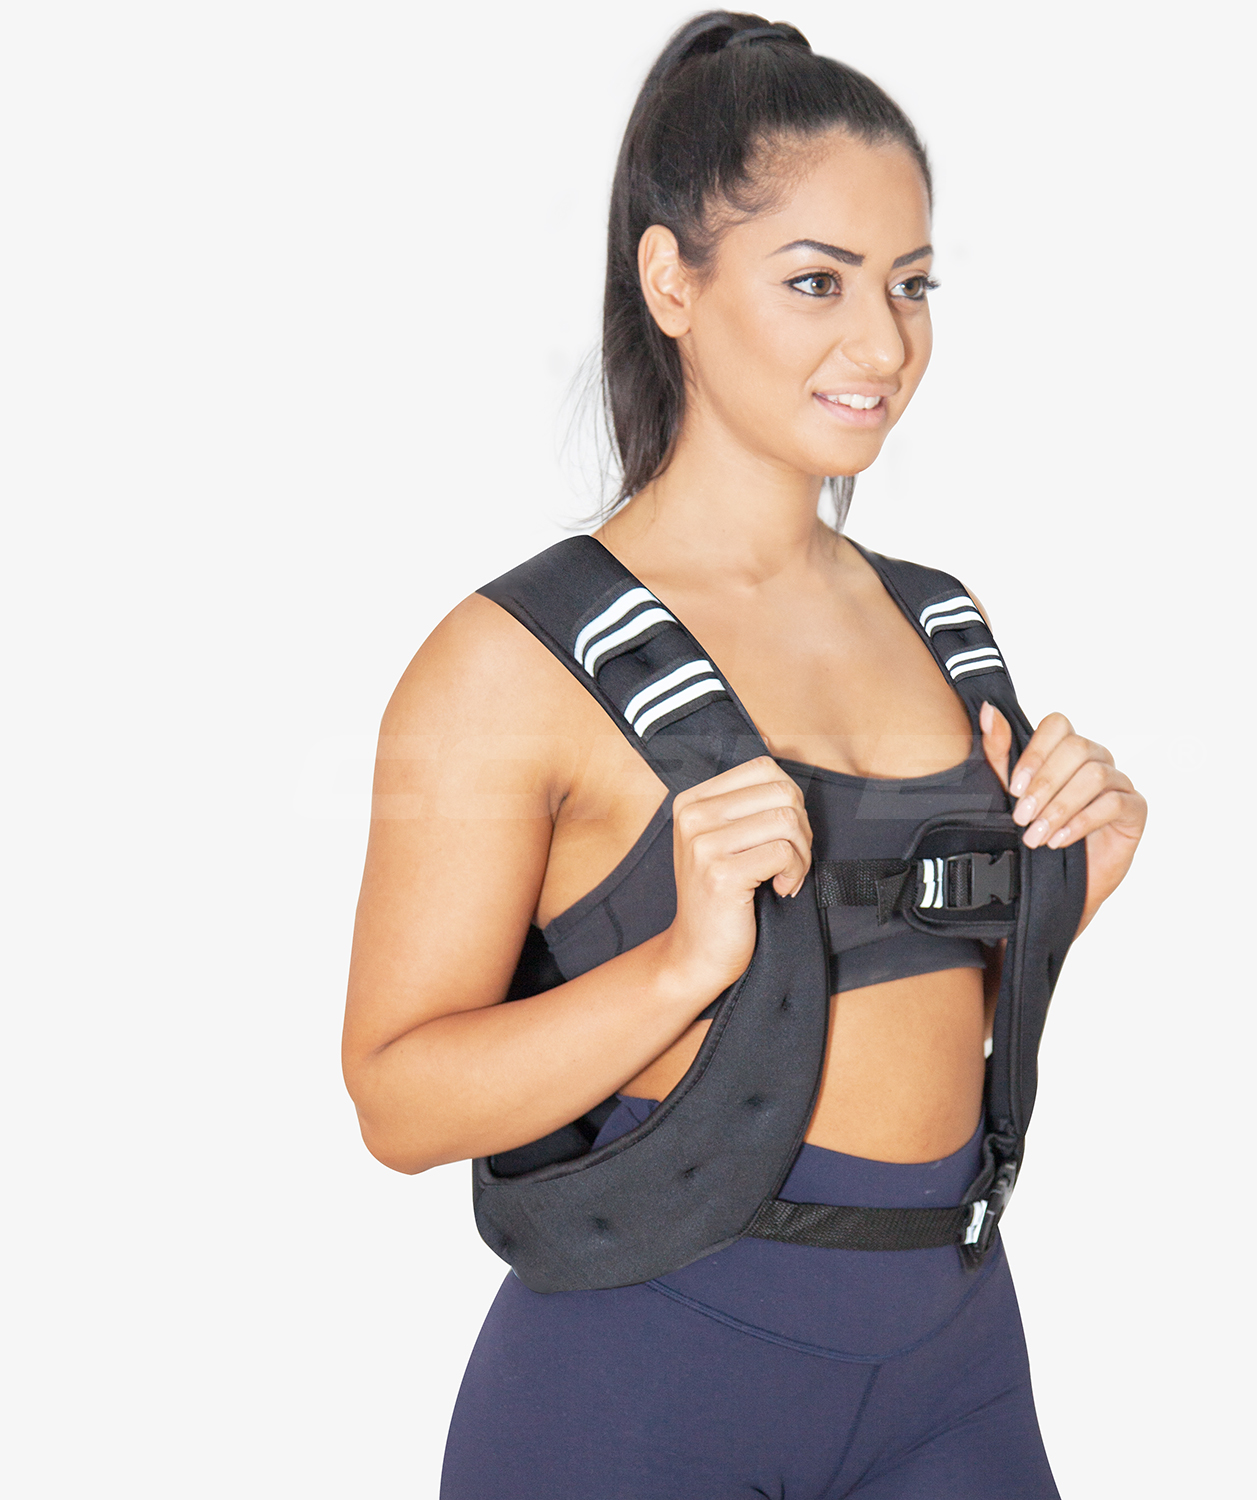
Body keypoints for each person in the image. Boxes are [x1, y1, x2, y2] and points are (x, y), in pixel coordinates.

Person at [342, 13, 1147, 1497]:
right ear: (673, 282)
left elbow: (897, 1017)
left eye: (911, 284)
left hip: (953, 1365)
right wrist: (676, 967)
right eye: (816, 282)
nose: (883, 343)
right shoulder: (509, 662)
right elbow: (396, 1101)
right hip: (643, 1380)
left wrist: (1062, 895)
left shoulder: (942, 621)